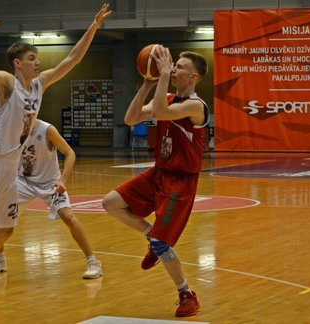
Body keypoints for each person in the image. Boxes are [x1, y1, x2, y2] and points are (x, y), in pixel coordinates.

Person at [0, 4, 111, 301]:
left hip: (11, 168)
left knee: (4, 230)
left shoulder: (39, 86)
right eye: (32, 59)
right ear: (18, 63)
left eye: (37, 59)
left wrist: (93, 27)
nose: (37, 63)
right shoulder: (7, 82)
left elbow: (72, 58)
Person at [102, 47, 209, 317]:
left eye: (180, 67)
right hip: (159, 172)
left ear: (193, 76)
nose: (174, 69)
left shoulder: (196, 106)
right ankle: (151, 235)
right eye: (174, 66)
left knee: (163, 246)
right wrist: (147, 84)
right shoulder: (168, 95)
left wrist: (161, 77)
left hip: (180, 182)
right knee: (110, 203)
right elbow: (130, 118)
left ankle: (186, 294)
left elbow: (161, 111)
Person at [0, 119, 102, 278]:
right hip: (23, 181)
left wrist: (62, 181)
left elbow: (70, 153)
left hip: (49, 183)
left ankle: (93, 262)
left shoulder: (47, 130)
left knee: (68, 217)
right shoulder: (11, 129)